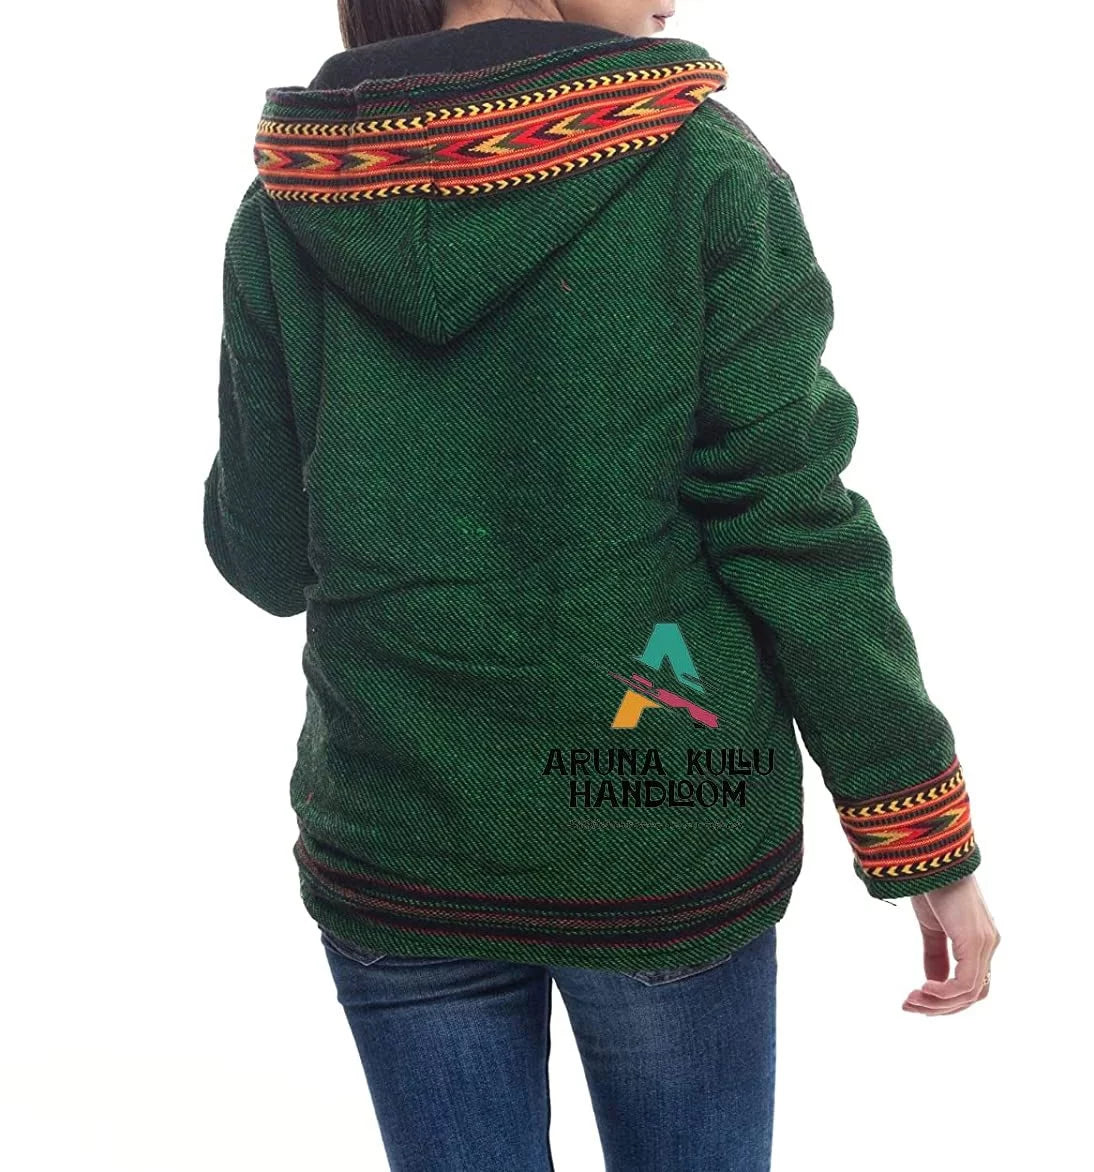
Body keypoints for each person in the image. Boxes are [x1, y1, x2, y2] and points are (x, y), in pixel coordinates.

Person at [202, 1, 1001, 1168]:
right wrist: (921, 832)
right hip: (660, 833)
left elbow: (263, 556)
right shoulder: (701, 167)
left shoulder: (289, 201)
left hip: (398, 835)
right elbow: (793, 526)